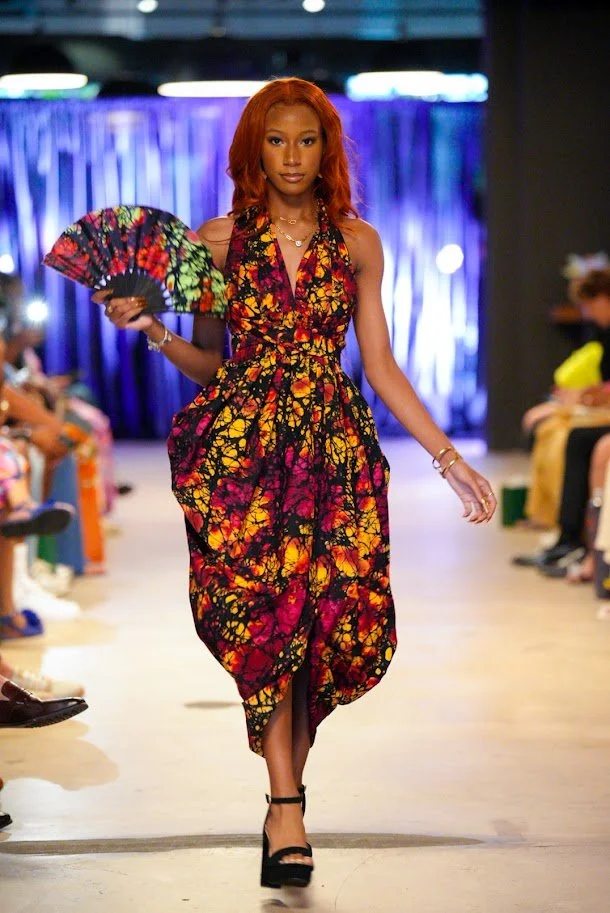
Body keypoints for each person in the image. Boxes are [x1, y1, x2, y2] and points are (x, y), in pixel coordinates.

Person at [96, 78, 496, 889]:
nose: (291, 156)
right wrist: (157, 332)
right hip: (242, 456)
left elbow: (378, 364)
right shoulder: (214, 242)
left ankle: (288, 798)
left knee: (325, 628)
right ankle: (286, 806)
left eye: (306, 140)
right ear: (254, 148)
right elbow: (212, 361)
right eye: (276, 140)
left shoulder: (358, 243)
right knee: (265, 626)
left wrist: (449, 459)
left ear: (327, 150)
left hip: (334, 452)